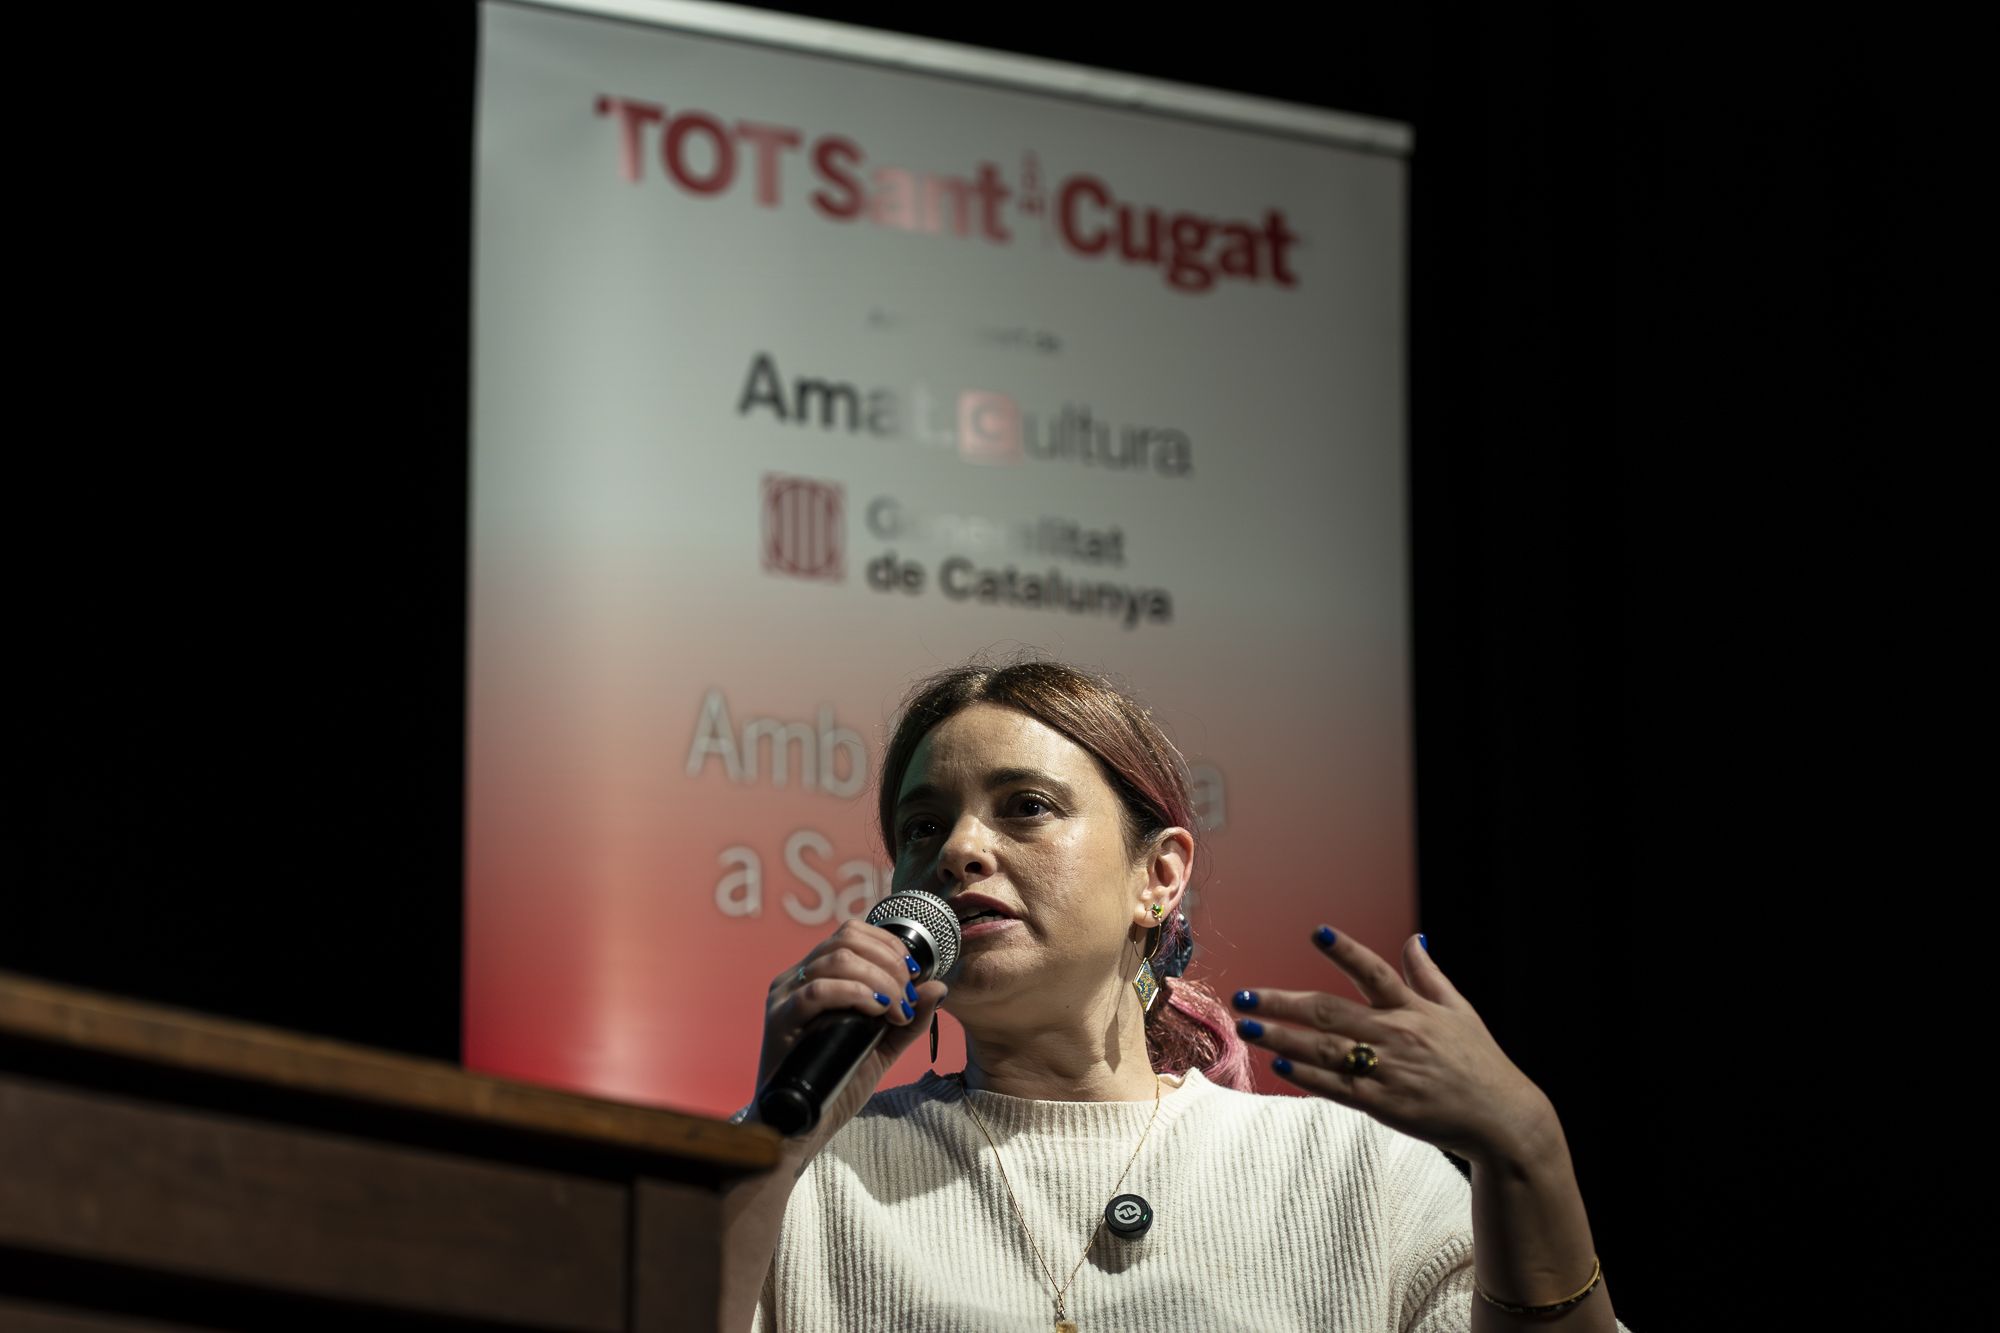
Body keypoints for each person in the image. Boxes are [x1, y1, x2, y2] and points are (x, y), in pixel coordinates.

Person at [723, 660, 1626, 1332]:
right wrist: (776, 1136)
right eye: (924, 826)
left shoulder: (1352, 1176)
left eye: (1025, 806)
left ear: (1158, 876)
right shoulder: (811, 1182)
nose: (959, 848)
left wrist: (1528, 1148)